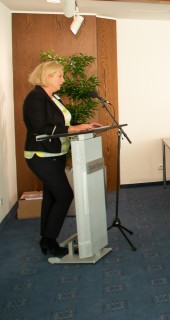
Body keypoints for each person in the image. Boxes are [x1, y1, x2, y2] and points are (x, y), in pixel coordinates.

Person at [23, 61, 102, 257]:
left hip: (56, 154)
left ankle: (46, 240)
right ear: (48, 77)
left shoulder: (53, 97)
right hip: (41, 155)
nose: (63, 80)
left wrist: (82, 125)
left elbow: (61, 123)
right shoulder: (35, 98)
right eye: (60, 76)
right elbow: (40, 128)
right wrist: (74, 129)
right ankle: (49, 240)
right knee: (65, 195)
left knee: (52, 196)